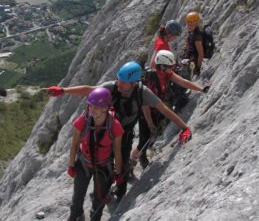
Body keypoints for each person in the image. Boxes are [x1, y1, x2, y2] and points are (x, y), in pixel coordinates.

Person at [47, 61, 192, 202]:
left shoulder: (143, 93)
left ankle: (120, 193)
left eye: (123, 82)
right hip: (107, 133)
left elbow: (164, 110)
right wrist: (63, 91)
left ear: (133, 83)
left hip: (125, 135)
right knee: (106, 165)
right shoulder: (113, 87)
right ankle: (102, 192)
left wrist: (185, 128)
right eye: (119, 79)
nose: (119, 83)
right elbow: (89, 90)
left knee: (122, 166)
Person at [132, 50, 210, 169]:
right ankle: (132, 164)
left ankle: (144, 153)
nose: (172, 69)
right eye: (170, 67)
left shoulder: (167, 74)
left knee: (150, 138)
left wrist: (201, 89)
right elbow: (145, 105)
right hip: (145, 113)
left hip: (157, 109)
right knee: (143, 142)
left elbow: (183, 82)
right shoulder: (150, 79)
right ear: (162, 66)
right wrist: (149, 123)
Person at [66, 87, 124, 221]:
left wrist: (118, 172)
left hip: (104, 167)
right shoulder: (83, 121)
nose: (92, 109)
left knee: (99, 201)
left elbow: (117, 151)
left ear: (105, 108)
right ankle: (76, 215)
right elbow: (74, 144)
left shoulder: (114, 126)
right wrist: (71, 164)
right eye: (90, 105)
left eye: (96, 107)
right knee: (77, 197)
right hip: (83, 164)